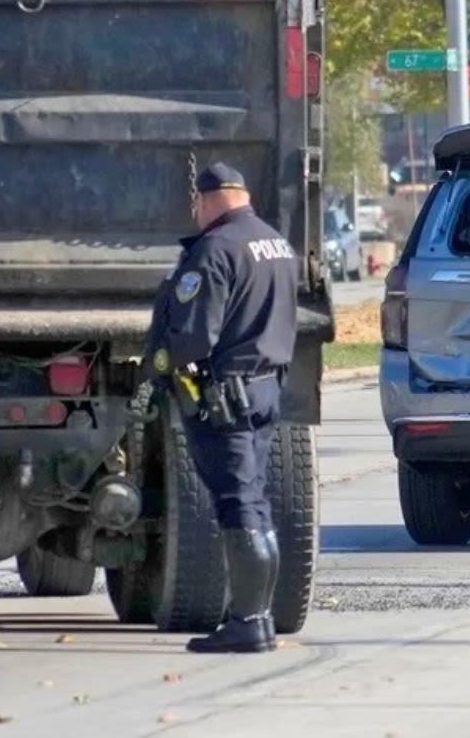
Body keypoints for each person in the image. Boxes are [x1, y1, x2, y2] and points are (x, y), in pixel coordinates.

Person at [146, 163, 299, 654]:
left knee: (238, 506)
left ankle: (248, 621)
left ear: (210, 199)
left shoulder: (214, 251)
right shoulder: (275, 243)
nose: (196, 213)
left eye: (197, 204)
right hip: (264, 388)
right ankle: (261, 619)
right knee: (254, 501)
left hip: (224, 397)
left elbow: (194, 338)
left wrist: (159, 363)